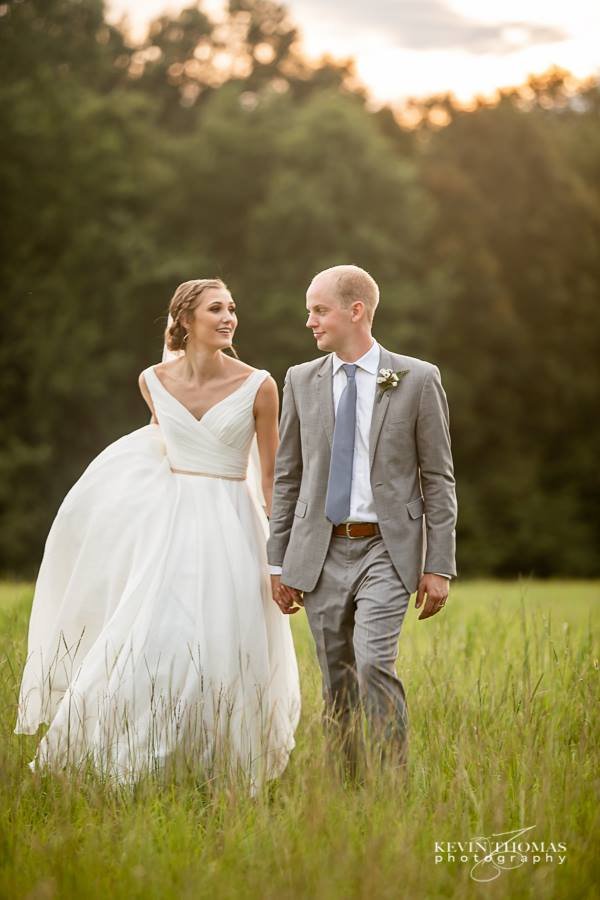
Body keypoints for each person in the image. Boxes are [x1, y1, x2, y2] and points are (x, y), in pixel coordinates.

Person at [15, 278, 301, 792]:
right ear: (185, 320)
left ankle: (222, 770)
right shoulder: (151, 380)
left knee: (224, 641)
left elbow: (271, 478)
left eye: (232, 308)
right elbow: (156, 451)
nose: (229, 316)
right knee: (153, 636)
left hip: (233, 523)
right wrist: (115, 512)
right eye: (216, 308)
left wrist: (278, 557)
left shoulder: (260, 385)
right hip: (169, 528)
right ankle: (134, 757)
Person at [267, 265, 457, 777]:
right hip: (320, 549)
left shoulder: (418, 378)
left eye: (318, 309)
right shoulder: (300, 381)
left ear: (356, 312)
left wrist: (438, 565)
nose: (309, 321)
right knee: (336, 678)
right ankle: (348, 786)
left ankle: (392, 782)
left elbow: (438, 478)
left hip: (387, 551)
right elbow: (287, 478)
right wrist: (277, 562)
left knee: (373, 661)